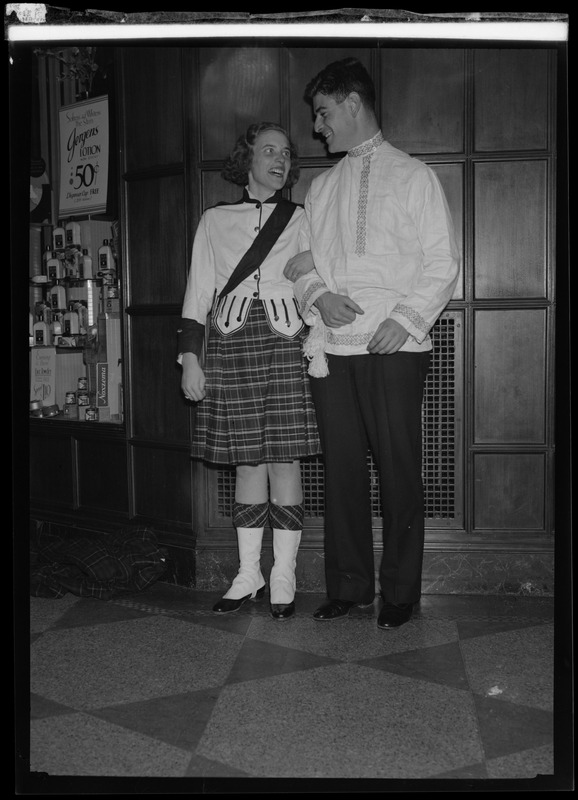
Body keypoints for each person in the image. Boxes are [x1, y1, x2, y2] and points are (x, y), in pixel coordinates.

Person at [284, 58, 460, 629]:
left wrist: (407, 320)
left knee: (400, 469)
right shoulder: (321, 186)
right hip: (334, 347)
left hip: (393, 347)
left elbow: (442, 262)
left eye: (324, 113)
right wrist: (319, 295)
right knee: (341, 471)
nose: (318, 127)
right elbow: (301, 262)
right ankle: (351, 586)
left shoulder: (414, 176)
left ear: (353, 103)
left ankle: (401, 592)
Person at [178, 122, 320, 620]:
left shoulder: (303, 218)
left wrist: (320, 339)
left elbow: (315, 280)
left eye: (285, 152)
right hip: (230, 343)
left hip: (286, 344)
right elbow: (199, 291)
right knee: (245, 462)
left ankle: (283, 573)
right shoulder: (215, 220)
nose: (279, 160)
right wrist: (191, 358)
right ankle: (248, 572)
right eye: (268, 151)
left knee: (285, 460)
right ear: (248, 160)